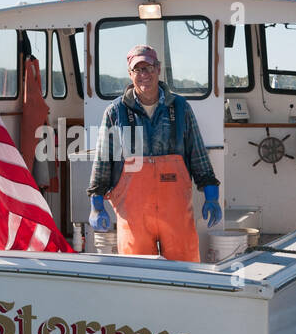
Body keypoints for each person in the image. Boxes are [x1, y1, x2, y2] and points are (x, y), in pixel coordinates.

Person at [86, 44, 220, 261]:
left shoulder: (181, 108)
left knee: (185, 275)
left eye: (148, 68)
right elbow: (103, 161)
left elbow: (198, 155)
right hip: (133, 215)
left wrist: (211, 196)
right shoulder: (115, 112)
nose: (144, 75)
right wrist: (96, 205)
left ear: (158, 69)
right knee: (137, 276)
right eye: (138, 70)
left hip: (175, 212)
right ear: (130, 74)